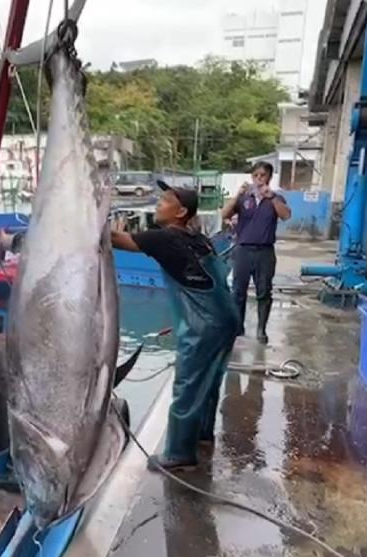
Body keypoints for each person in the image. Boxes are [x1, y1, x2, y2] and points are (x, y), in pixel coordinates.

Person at [111, 181, 241, 471]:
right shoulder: (200, 239)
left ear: (181, 211)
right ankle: (202, 436)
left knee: (188, 383)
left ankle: (180, 453)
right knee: (209, 382)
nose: (159, 202)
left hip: (204, 325)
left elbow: (116, 240)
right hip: (227, 318)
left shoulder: (165, 239)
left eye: (166, 199)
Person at [221, 162, 291, 345]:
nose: (259, 179)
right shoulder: (244, 198)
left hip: (265, 252)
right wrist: (237, 195)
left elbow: (285, 215)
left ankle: (261, 329)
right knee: (238, 292)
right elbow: (224, 214)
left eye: (263, 175)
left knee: (264, 292)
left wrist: (272, 197)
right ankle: (238, 327)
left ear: (269, 177)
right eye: (256, 175)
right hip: (243, 250)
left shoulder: (275, 198)